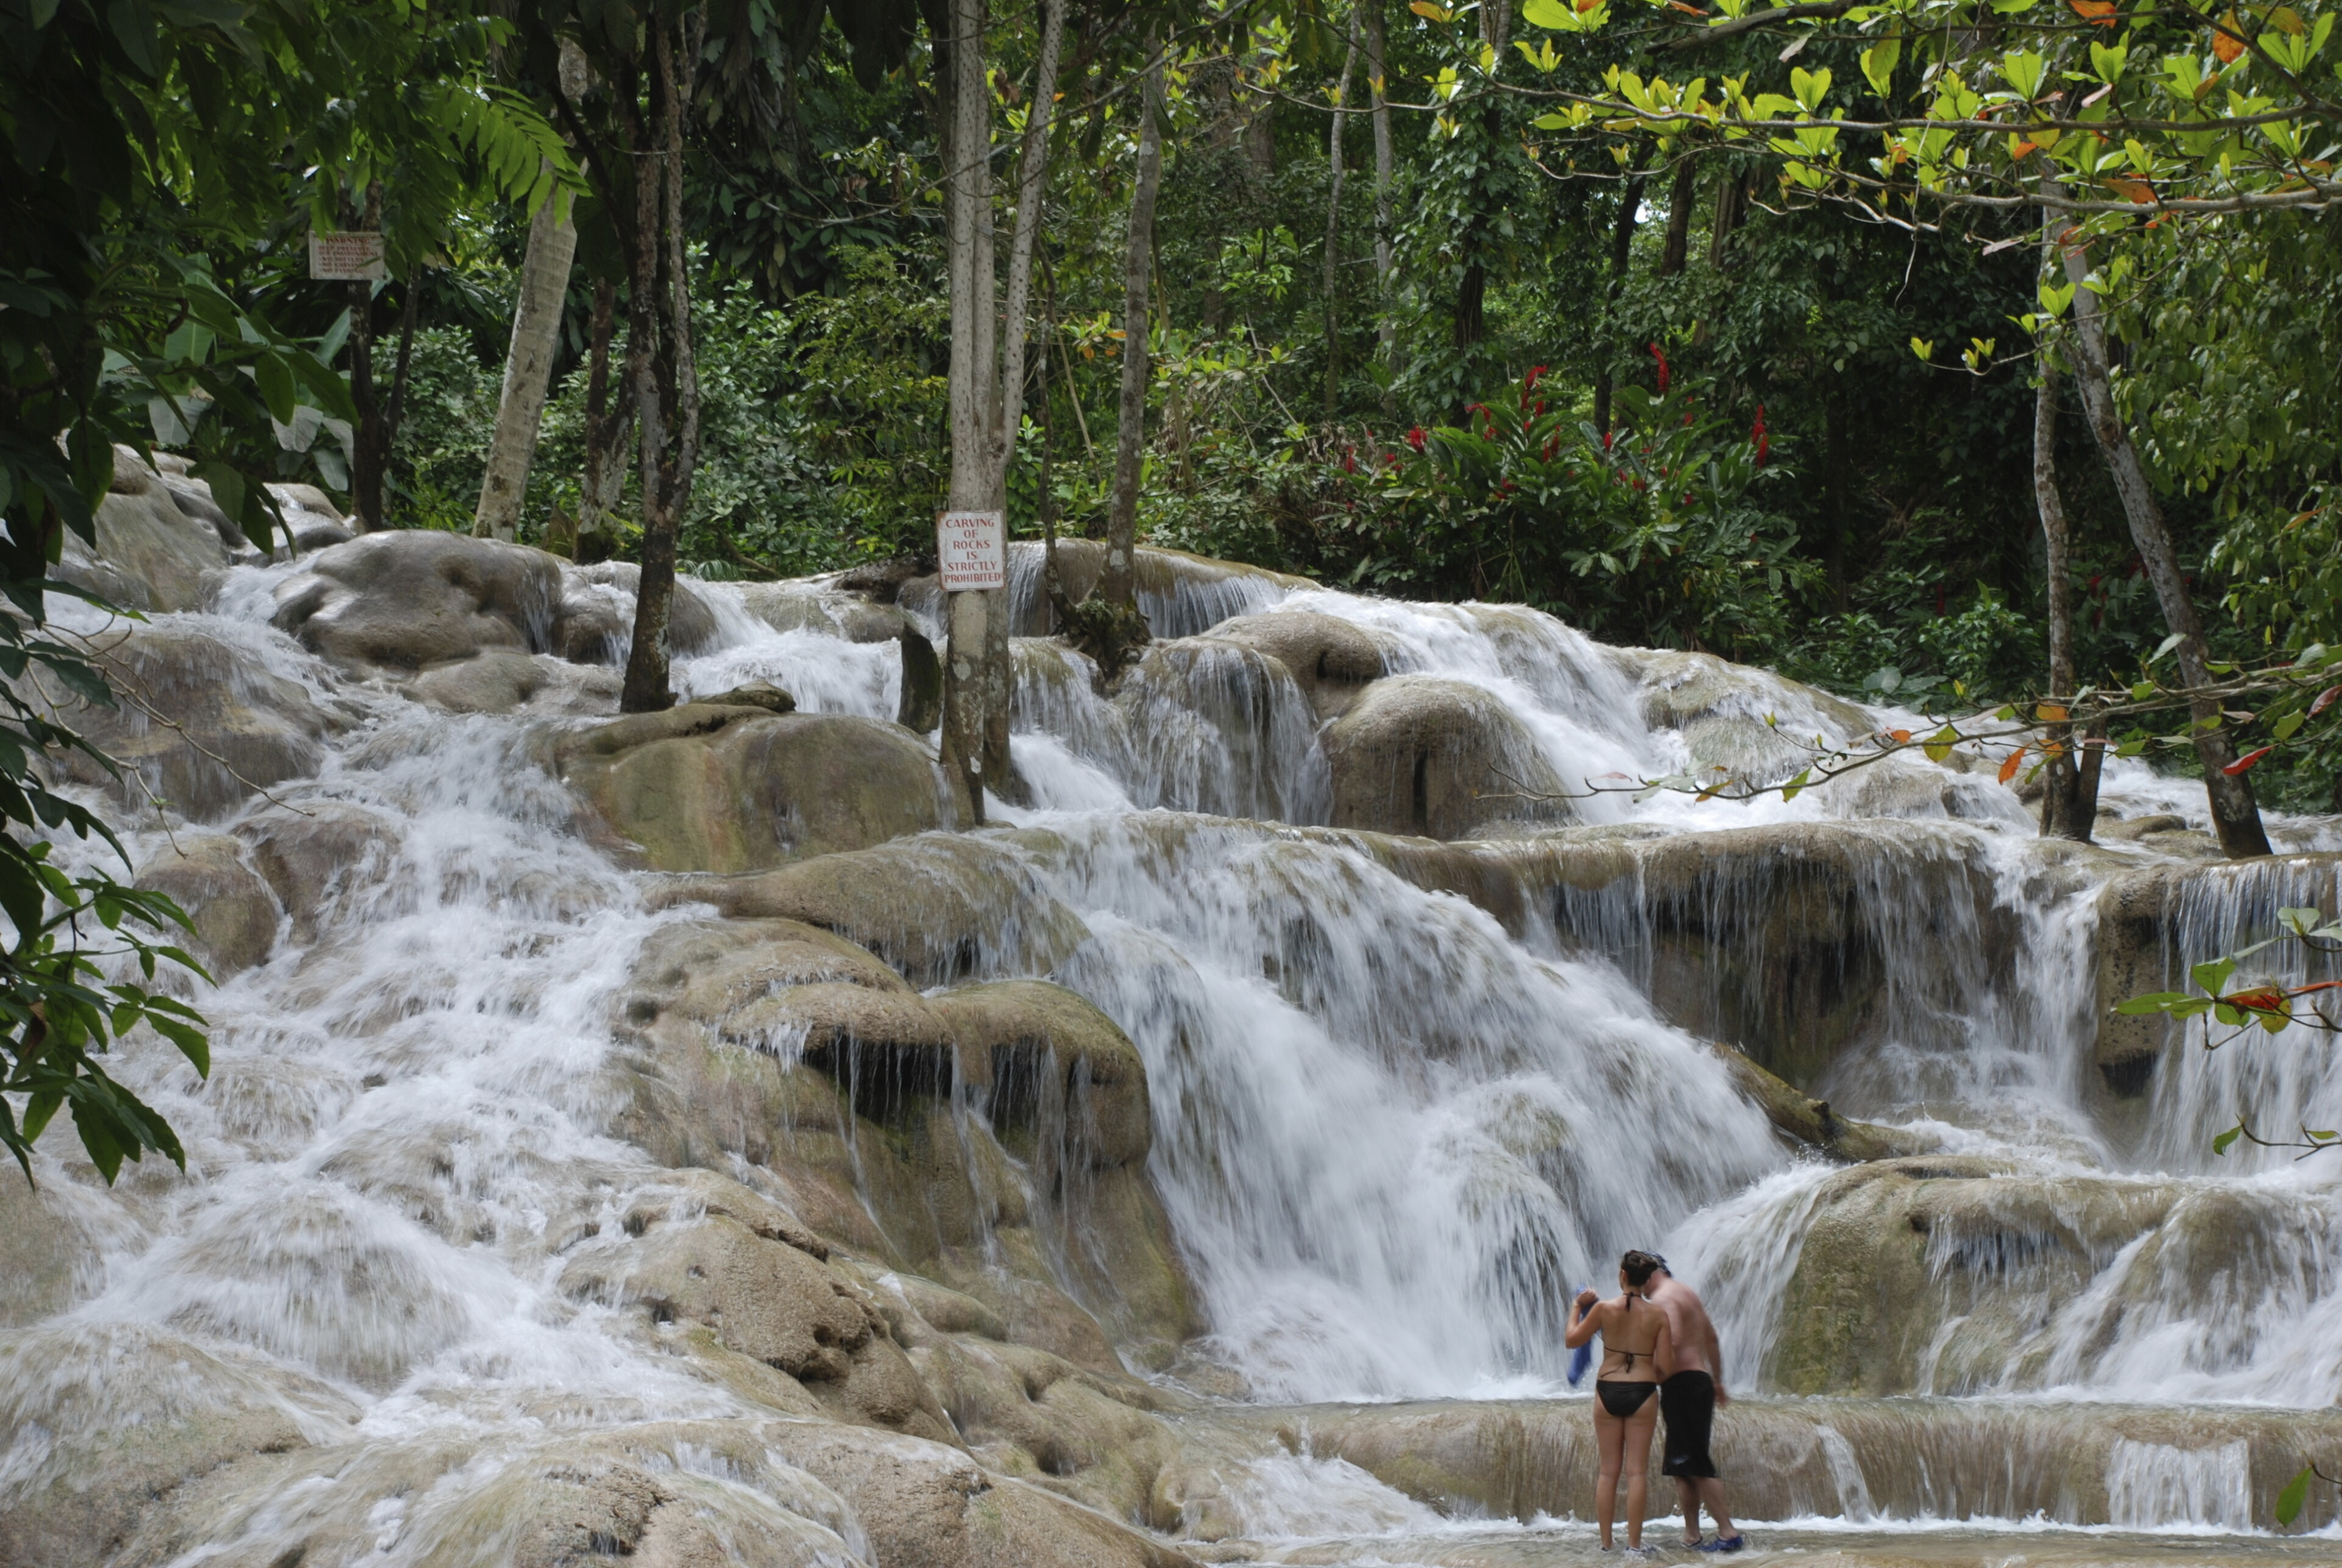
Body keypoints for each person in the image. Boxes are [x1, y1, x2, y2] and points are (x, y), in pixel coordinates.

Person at [1564, 1250, 1673, 1551]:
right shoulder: (1658, 1315)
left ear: (1622, 1275)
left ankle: (1606, 1544)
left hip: (1608, 1390)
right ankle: (1635, 1546)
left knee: (1608, 1471)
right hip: (1643, 1392)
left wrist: (1577, 1306)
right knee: (1637, 1471)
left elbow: (1572, 1340)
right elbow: (1666, 1366)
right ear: (1646, 1279)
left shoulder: (1602, 1310)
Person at [1647, 1255, 1745, 1553]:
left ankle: (1728, 1533)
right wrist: (1718, 1381)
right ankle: (1692, 1535)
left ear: (1654, 1272)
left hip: (1682, 1384)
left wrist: (1645, 1372)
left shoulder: (1663, 1298)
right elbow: (1712, 1338)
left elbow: (1673, 1340)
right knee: (1682, 1464)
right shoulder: (1686, 1292)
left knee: (1697, 1462)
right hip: (1697, 1381)